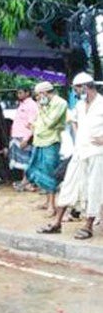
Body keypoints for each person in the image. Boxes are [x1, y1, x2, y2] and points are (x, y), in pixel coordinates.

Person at [38, 73, 103, 239]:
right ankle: (57, 223)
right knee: (68, 185)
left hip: (97, 154)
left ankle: (88, 226)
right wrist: (78, 133)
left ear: (86, 87)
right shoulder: (81, 105)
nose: (76, 92)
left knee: (93, 189)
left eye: (77, 89)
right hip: (80, 152)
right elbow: (73, 119)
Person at [26, 81, 67, 216]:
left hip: (51, 142)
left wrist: (42, 108)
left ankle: (52, 205)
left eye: (38, 95)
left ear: (44, 93)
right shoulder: (44, 104)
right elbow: (38, 122)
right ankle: (47, 201)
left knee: (50, 173)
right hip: (39, 141)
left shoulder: (60, 103)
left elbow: (50, 123)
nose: (37, 98)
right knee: (37, 170)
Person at [10, 85, 39, 190]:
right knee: (22, 162)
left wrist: (26, 139)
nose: (18, 95)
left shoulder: (31, 105)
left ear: (27, 93)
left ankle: (28, 183)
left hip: (25, 137)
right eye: (18, 93)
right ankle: (25, 182)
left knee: (27, 161)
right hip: (17, 136)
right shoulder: (21, 104)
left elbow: (32, 124)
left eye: (21, 93)